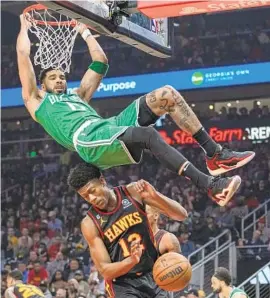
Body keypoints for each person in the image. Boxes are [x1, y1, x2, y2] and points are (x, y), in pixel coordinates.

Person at [17, 14, 255, 206]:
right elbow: (23, 54)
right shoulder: (36, 101)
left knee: (167, 95)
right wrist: (24, 26)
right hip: (87, 138)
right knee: (148, 135)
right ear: (42, 85)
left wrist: (84, 31)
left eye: (61, 76)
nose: (59, 80)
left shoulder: (78, 96)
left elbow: (100, 62)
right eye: (53, 78)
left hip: (109, 126)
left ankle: (215, 154)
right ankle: (211, 186)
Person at [67, 163, 188, 297]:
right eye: (85, 196)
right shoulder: (90, 223)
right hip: (122, 283)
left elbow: (181, 215)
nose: (92, 199)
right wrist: (131, 260)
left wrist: (155, 196)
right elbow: (105, 270)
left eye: (92, 191)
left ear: (102, 181)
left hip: (153, 272)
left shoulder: (133, 192)